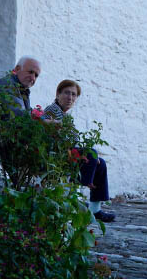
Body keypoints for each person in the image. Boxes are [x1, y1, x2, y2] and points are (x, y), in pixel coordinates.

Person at [43, 79, 115, 224]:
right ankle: (86, 182)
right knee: (92, 153)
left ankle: (95, 210)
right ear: (58, 94)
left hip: (69, 154)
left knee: (100, 164)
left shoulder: (63, 114)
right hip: (57, 156)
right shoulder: (52, 110)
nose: (70, 97)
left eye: (74, 95)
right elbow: (45, 122)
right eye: (66, 93)